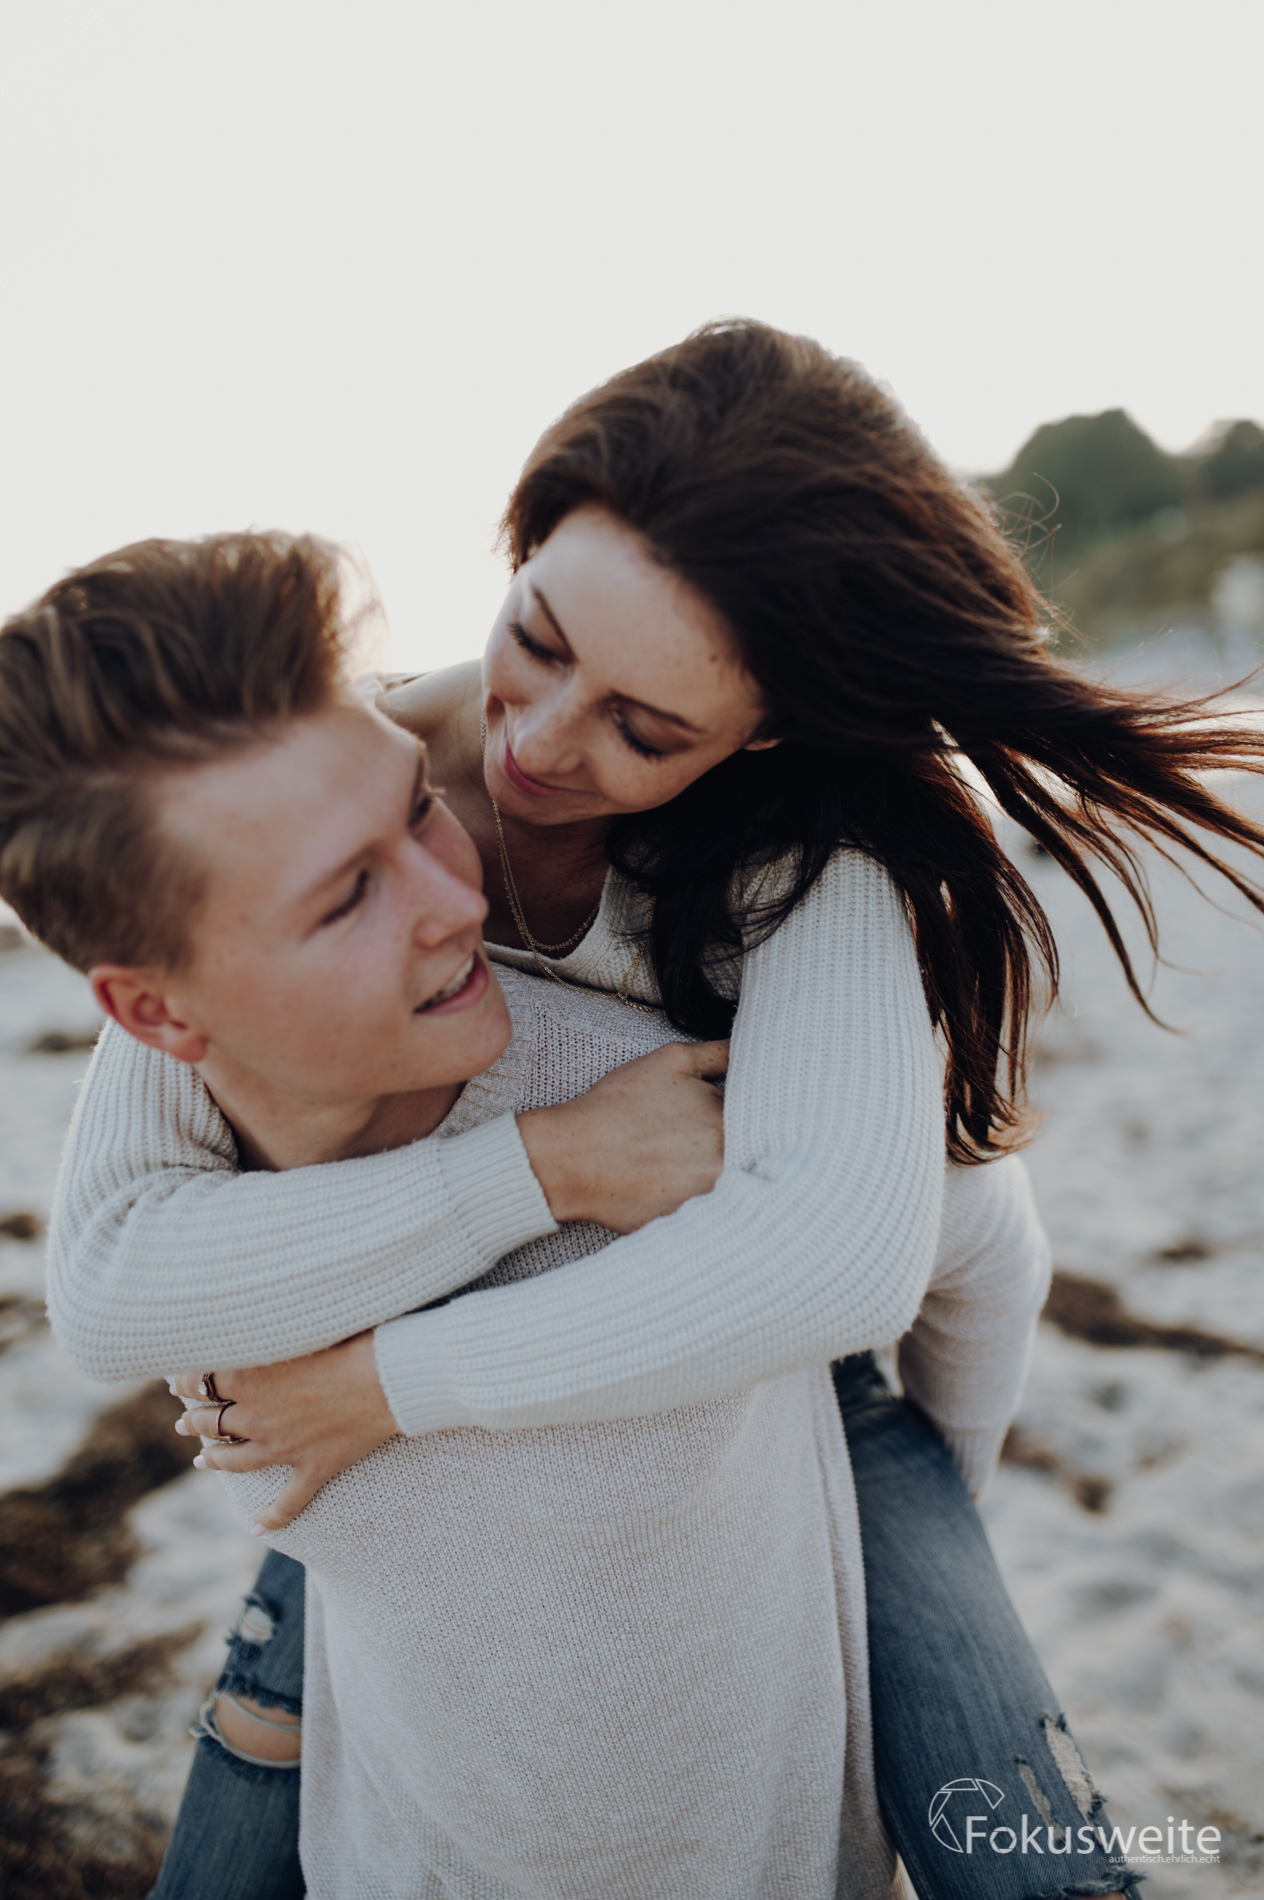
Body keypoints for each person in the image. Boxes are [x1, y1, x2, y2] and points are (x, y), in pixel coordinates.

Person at [41, 312, 1257, 1892]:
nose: (539, 745)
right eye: (537, 639)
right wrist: (544, 1172)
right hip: (444, 1399)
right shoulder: (342, 806)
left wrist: (383, 1390)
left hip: (812, 1396)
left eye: (646, 727)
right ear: (522, 538)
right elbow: (113, 1272)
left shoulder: (819, 854)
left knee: (1036, 1862)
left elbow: (852, 1260)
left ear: (764, 726)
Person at [15, 530, 1048, 1900]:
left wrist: (922, 1521)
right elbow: (102, 1302)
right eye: (348, 896)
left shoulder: (697, 1098)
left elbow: (962, 1237)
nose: (467, 895)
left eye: (418, 812)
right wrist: (537, 1170)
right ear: (156, 1013)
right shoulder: (197, 1228)